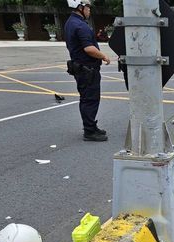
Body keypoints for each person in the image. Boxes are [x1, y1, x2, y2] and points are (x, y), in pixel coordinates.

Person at [64, 0, 111, 142]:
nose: (89, 10)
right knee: (90, 99)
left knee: (86, 98)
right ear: (80, 7)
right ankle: (89, 131)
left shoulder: (70, 23)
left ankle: (91, 126)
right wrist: (104, 56)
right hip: (87, 69)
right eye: (88, 7)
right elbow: (88, 48)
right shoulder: (80, 25)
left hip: (80, 67)